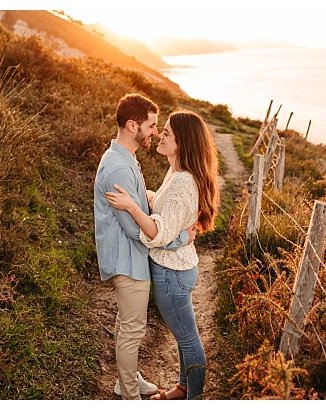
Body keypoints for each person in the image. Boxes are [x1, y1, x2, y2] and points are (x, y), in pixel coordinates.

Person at [105, 110, 220, 399]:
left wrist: (132, 206)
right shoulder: (177, 171)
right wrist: (147, 196)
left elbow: (158, 233)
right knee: (183, 338)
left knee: (188, 340)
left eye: (166, 132)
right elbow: (166, 210)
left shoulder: (183, 183)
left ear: (181, 142)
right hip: (176, 271)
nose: (159, 135)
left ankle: (192, 398)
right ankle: (182, 388)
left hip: (172, 276)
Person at [94, 93, 197, 399]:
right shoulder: (119, 169)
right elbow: (133, 227)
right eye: (151, 125)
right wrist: (180, 237)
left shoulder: (125, 158)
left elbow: (138, 208)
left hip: (132, 257)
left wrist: (151, 201)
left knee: (128, 323)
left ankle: (128, 377)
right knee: (132, 329)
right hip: (128, 260)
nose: (155, 131)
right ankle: (129, 395)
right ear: (131, 125)